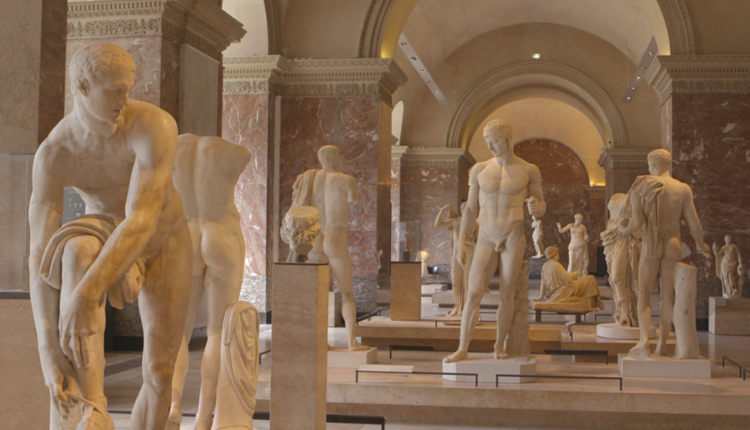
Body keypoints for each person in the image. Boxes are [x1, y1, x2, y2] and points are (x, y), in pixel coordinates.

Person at [28, 42, 191, 430]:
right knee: (75, 250)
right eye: (115, 91)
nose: (125, 100)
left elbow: (142, 219)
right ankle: (93, 408)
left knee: (160, 370)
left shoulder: (153, 125)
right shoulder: (55, 153)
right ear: (83, 87)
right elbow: (39, 255)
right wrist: (47, 348)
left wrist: (84, 295)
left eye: (128, 89)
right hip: (104, 227)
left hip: (162, 238)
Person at [443, 119, 545, 363]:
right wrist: (461, 240)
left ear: (507, 141)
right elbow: (470, 209)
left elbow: (541, 205)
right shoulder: (479, 170)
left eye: (495, 142)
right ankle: (462, 348)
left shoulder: (528, 170)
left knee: (507, 292)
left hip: (513, 233)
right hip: (486, 234)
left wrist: (537, 208)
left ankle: (499, 345)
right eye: (487, 142)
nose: (490, 147)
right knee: (473, 292)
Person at [168, 134, 251, 430]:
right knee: (217, 332)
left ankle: (172, 406)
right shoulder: (233, 152)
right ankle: (204, 417)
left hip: (186, 236)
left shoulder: (173, 149)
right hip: (221, 235)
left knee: (178, 332)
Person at [619, 149, 711, 358]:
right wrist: (701, 245)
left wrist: (623, 229)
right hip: (673, 243)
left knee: (644, 293)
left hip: (651, 244)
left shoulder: (641, 186)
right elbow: (695, 223)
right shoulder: (682, 188)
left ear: (652, 164)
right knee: (667, 295)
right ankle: (662, 345)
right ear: (668, 164)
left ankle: (644, 341)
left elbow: (636, 223)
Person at [291, 145, 368, 351]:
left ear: (320, 159)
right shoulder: (346, 180)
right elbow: (352, 200)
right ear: (337, 158)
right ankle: (352, 342)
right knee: (347, 293)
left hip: (315, 237)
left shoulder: (310, 179)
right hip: (335, 235)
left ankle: (320, 343)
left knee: (320, 294)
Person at [601, 193, 641, 327]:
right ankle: (622, 312)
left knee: (618, 277)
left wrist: (628, 225)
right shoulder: (615, 196)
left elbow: (640, 221)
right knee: (614, 278)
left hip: (624, 236)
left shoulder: (634, 196)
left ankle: (627, 313)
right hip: (611, 237)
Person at [536, 247, 603, 312]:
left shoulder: (545, 265)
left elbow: (543, 283)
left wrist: (541, 297)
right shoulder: (557, 265)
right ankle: (593, 304)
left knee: (588, 279)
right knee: (590, 279)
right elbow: (568, 278)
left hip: (557, 291)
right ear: (556, 254)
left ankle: (594, 303)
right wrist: (576, 273)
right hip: (564, 290)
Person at [713, 235, 745, 299]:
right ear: (725, 240)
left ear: (731, 239)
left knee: (730, 275)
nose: (728, 240)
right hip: (724, 264)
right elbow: (718, 254)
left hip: (732, 263)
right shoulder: (723, 248)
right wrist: (714, 249)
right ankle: (728, 291)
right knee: (725, 277)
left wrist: (740, 262)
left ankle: (733, 288)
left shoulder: (733, 246)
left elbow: (738, 254)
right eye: (727, 239)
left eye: (729, 238)